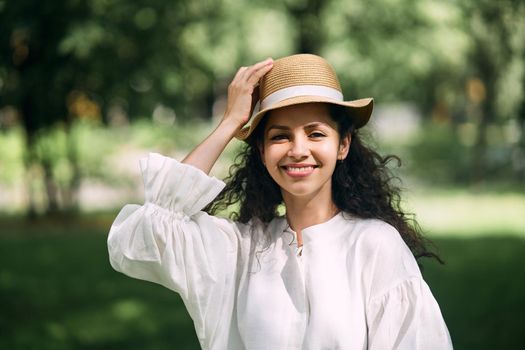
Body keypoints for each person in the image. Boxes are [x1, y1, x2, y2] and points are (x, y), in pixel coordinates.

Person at [107, 54, 453, 349]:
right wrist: (230, 122)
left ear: (343, 145)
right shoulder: (240, 250)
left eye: (316, 133)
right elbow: (149, 232)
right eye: (280, 136)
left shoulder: (374, 244)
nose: (298, 150)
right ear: (261, 150)